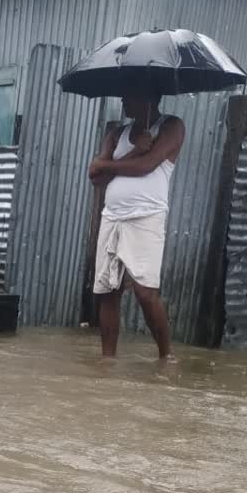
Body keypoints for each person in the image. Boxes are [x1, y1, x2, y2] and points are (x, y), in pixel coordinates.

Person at [88, 93, 185, 363]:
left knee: (145, 291)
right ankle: (107, 360)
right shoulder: (117, 133)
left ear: (150, 94)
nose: (123, 99)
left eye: (130, 93)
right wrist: (133, 151)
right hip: (113, 216)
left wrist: (113, 164)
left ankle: (166, 356)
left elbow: (147, 166)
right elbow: (94, 176)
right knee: (108, 291)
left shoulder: (171, 126)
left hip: (147, 216)